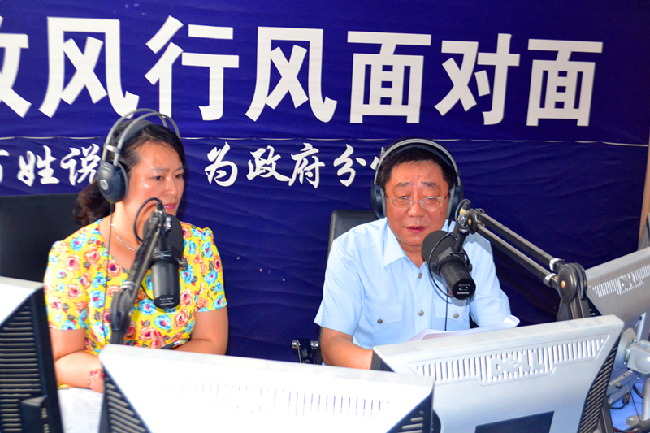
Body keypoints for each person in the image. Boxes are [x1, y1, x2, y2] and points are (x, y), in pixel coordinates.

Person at [44, 111, 228, 392]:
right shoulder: (74, 255)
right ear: (116, 183)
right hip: (100, 398)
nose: (172, 190)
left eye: (178, 176)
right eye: (158, 177)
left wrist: (152, 376)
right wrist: (112, 378)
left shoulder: (198, 246)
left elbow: (212, 342)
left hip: (174, 391)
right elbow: (62, 358)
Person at [314, 138, 510, 369]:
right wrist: (394, 369)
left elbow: (500, 336)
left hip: (447, 382)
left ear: (451, 201)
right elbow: (333, 344)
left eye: (430, 198)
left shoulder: (472, 248)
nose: (416, 211)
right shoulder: (352, 250)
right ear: (382, 200)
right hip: (376, 380)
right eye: (402, 197)